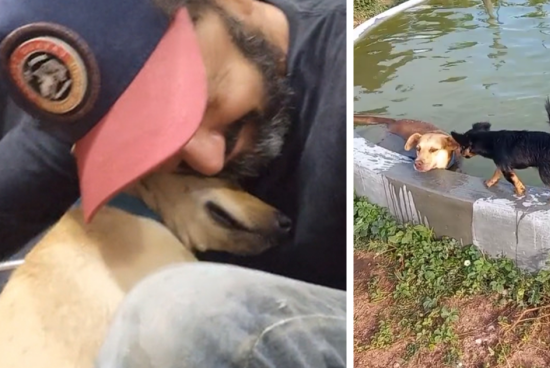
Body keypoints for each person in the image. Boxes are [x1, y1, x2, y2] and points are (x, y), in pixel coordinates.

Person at [0, 0, 347, 366]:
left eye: (198, 101)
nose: (208, 160)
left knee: (178, 316)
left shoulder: (343, 89)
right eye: (153, 140)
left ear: (231, 6)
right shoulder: (88, 116)